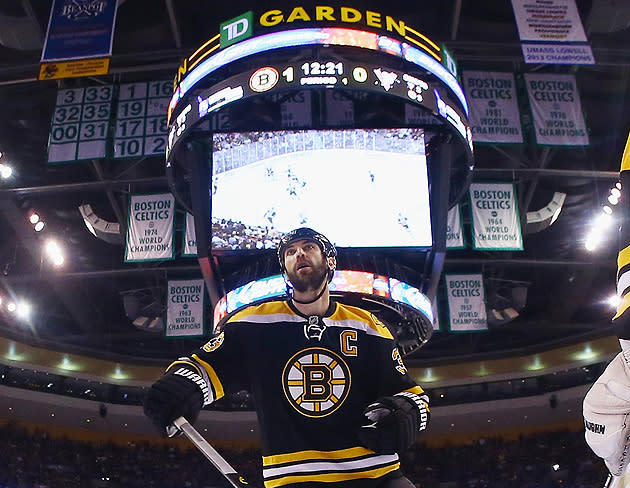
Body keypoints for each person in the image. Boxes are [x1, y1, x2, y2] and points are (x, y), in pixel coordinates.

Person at [144, 227, 430, 488]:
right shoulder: (252, 324)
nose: (299, 254)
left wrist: (406, 412)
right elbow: (205, 368)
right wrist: (180, 386)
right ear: (285, 270)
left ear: (330, 261)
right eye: (290, 252)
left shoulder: (369, 325)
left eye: (308, 247)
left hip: (377, 476)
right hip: (293, 479)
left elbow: (410, 394)